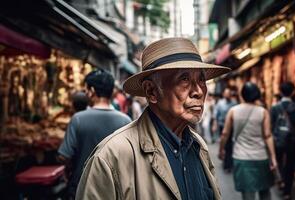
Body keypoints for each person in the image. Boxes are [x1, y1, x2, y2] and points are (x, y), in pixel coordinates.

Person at [76, 37, 231, 200]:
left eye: (201, 79)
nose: (199, 91)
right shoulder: (111, 157)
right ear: (151, 91)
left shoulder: (198, 146)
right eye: (184, 79)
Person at [57, 69, 131, 199]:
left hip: (82, 188)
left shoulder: (78, 119)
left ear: (91, 91)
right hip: (117, 189)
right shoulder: (125, 121)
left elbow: (64, 156)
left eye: (86, 90)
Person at [219, 82, 277, 200]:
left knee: (247, 194)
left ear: (242, 95)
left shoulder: (233, 111)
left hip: (241, 158)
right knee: (265, 192)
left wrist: (221, 150)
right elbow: (267, 135)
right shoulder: (263, 112)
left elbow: (225, 134)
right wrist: (273, 157)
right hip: (261, 157)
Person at [270, 82, 295, 199]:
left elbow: (270, 127)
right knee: (290, 164)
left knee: (279, 161)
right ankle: (287, 191)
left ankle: (280, 181)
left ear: (280, 92)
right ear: (293, 92)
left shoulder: (274, 107)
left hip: (277, 139)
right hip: (292, 139)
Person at [213, 87, 238, 172]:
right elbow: (216, 115)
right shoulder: (220, 103)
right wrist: (215, 125)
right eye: (226, 93)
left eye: (229, 93)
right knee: (224, 143)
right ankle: (225, 161)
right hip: (222, 126)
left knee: (229, 145)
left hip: (232, 127)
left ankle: (228, 164)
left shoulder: (234, 103)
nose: (228, 95)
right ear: (224, 94)